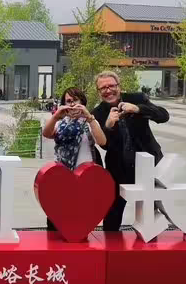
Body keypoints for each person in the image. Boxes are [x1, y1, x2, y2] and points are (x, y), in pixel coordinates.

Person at [92, 71, 170, 232]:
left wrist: (138, 109)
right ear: (98, 92)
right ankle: (110, 248)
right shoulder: (97, 113)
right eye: (103, 88)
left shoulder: (137, 99)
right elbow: (105, 146)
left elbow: (163, 116)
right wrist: (109, 126)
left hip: (149, 164)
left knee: (149, 211)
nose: (108, 90)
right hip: (119, 169)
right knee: (113, 210)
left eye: (111, 86)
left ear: (119, 86)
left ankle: (149, 245)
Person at [42, 87, 107, 231]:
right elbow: (46, 134)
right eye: (68, 101)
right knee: (56, 220)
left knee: (80, 220)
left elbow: (102, 141)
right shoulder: (60, 122)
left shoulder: (89, 121)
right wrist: (55, 116)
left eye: (75, 100)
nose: (72, 104)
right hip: (62, 177)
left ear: (82, 102)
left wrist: (89, 117)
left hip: (85, 178)